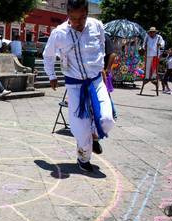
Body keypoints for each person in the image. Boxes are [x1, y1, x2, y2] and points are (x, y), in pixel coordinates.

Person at [43, 0, 114, 172]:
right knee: (80, 129)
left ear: (87, 12)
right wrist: (52, 76)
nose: (78, 23)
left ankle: (95, 136)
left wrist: (103, 68)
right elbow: (48, 55)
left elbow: (102, 47)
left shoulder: (97, 26)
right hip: (74, 85)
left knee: (106, 120)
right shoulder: (59, 33)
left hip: (96, 81)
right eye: (73, 18)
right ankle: (83, 158)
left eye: (82, 17)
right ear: (67, 14)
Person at [103, 33, 117, 119]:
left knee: (105, 94)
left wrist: (107, 69)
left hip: (104, 72)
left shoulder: (104, 37)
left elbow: (112, 54)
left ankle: (113, 113)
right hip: (98, 71)